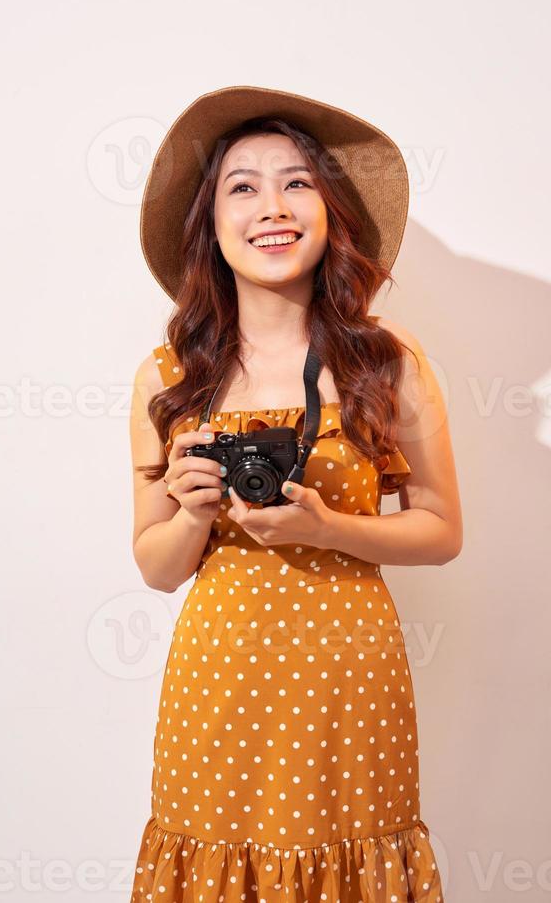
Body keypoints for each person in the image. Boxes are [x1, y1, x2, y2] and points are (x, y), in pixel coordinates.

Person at [128, 85, 462, 902]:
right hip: (222, 678)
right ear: (210, 224)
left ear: (329, 210)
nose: (271, 206)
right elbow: (158, 568)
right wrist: (194, 508)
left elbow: (442, 530)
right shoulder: (170, 377)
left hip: (350, 681)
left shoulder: (384, 360)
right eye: (242, 187)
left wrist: (329, 526)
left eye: (296, 182)